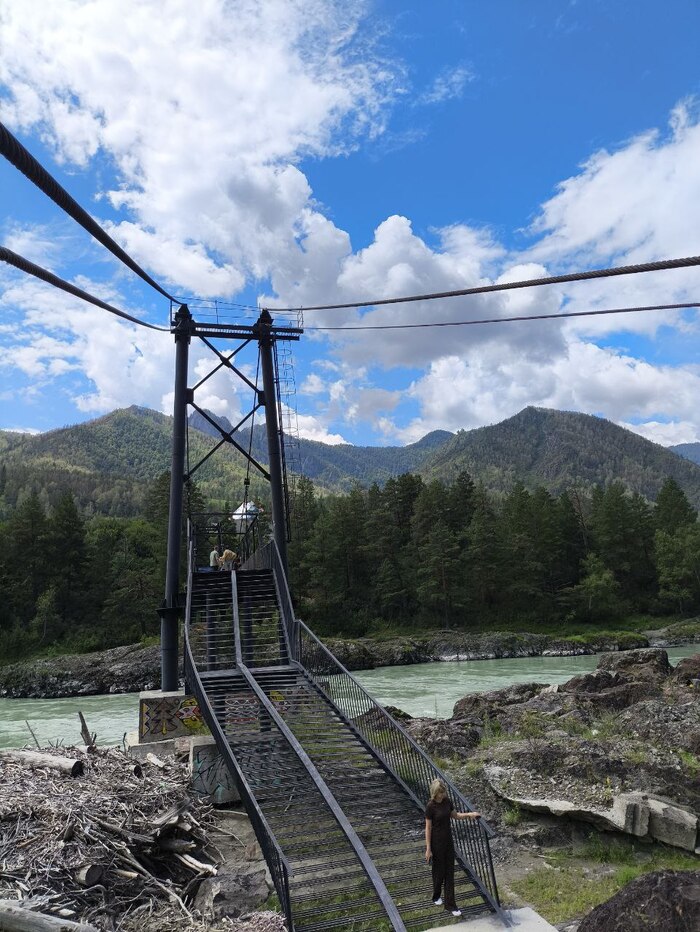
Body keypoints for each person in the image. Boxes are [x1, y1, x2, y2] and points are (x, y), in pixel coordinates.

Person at [424, 778, 481, 917]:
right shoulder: (430, 806)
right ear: (434, 793)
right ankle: (436, 895)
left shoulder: (447, 802)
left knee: (449, 872)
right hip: (436, 843)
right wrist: (428, 848)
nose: (441, 796)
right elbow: (428, 828)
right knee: (439, 872)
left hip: (448, 841)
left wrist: (469, 814)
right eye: (438, 793)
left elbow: (455, 816)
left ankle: (450, 905)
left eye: (442, 793)